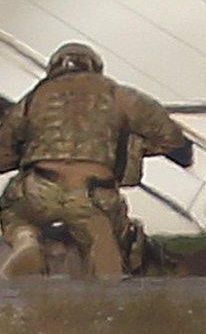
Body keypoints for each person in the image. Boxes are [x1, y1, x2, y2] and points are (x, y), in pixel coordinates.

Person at [0, 43, 190, 280]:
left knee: (12, 213)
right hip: (94, 194)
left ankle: (26, 241)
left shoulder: (34, 98)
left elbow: (4, 151)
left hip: (40, 187)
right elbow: (170, 137)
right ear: (96, 67)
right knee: (108, 252)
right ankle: (110, 288)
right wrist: (131, 147)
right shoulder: (118, 94)